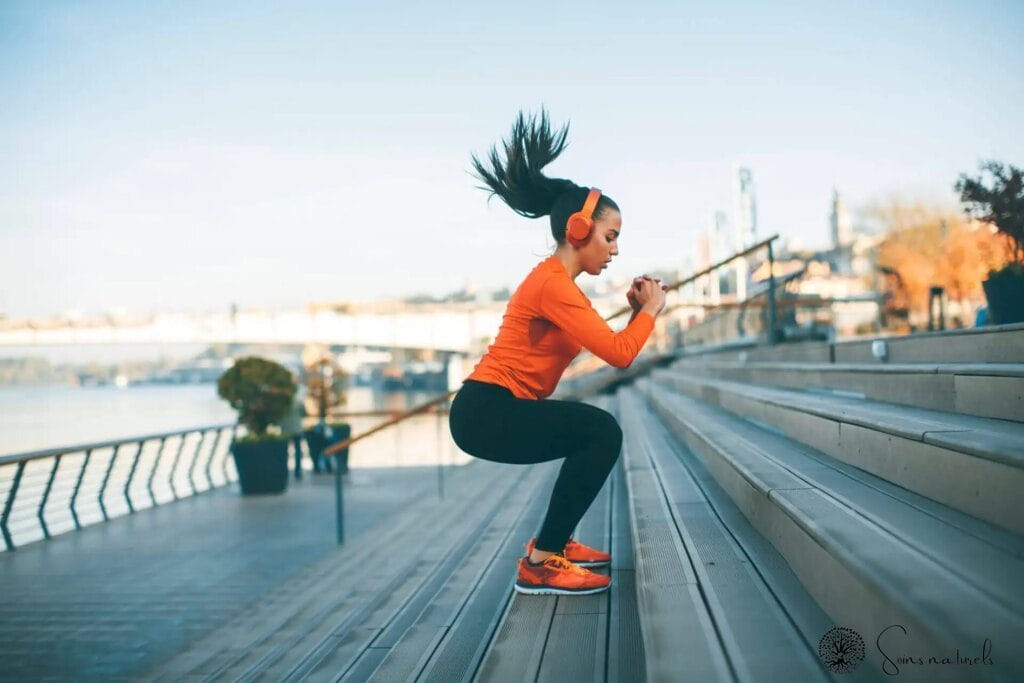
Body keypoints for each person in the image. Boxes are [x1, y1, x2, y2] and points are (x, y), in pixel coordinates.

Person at [448, 109, 667, 596]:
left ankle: (552, 546)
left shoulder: (561, 287)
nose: (614, 251)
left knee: (591, 433)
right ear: (577, 230)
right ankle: (542, 562)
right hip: (485, 411)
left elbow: (613, 344)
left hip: (493, 408)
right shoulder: (553, 285)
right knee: (599, 431)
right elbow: (619, 355)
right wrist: (651, 310)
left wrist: (637, 315)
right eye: (610, 237)